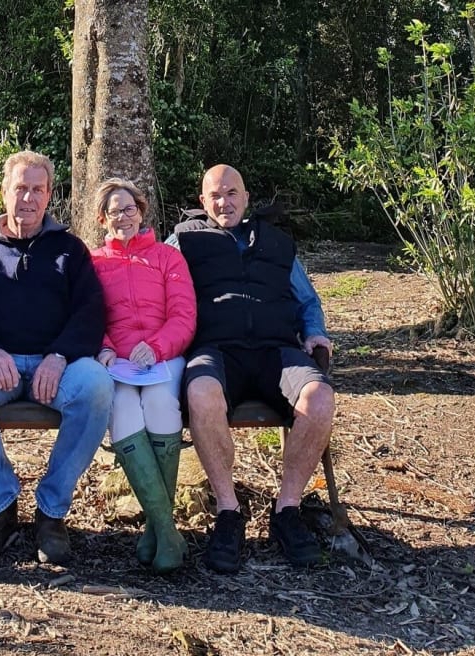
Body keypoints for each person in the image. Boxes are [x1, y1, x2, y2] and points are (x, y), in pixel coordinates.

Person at [0, 150, 113, 566]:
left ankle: (51, 513)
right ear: (4, 192)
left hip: (58, 366)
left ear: (49, 194)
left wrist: (61, 356)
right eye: (21, 188)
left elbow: (91, 312)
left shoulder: (70, 249)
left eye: (38, 189)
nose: (29, 198)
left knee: (97, 387)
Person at [168, 164, 334, 573]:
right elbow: (155, 284)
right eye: (215, 196)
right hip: (215, 350)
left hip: (276, 350)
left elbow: (307, 300)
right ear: (202, 202)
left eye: (232, 193)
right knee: (201, 394)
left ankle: (287, 511)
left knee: (320, 397)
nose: (224, 202)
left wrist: (314, 333)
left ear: (245, 196)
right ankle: (228, 512)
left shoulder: (277, 243)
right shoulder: (183, 241)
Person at [89, 178, 197, 574]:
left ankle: (157, 527)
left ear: (141, 212)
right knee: (122, 407)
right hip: (116, 362)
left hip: (162, 357)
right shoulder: (94, 261)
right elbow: (87, 312)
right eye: (114, 211)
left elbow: (184, 316)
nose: (123, 217)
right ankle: (167, 532)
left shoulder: (168, 258)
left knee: (159, 403)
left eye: (129, 208)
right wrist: (102, 345)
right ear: (102, 219)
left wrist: (156, 346)